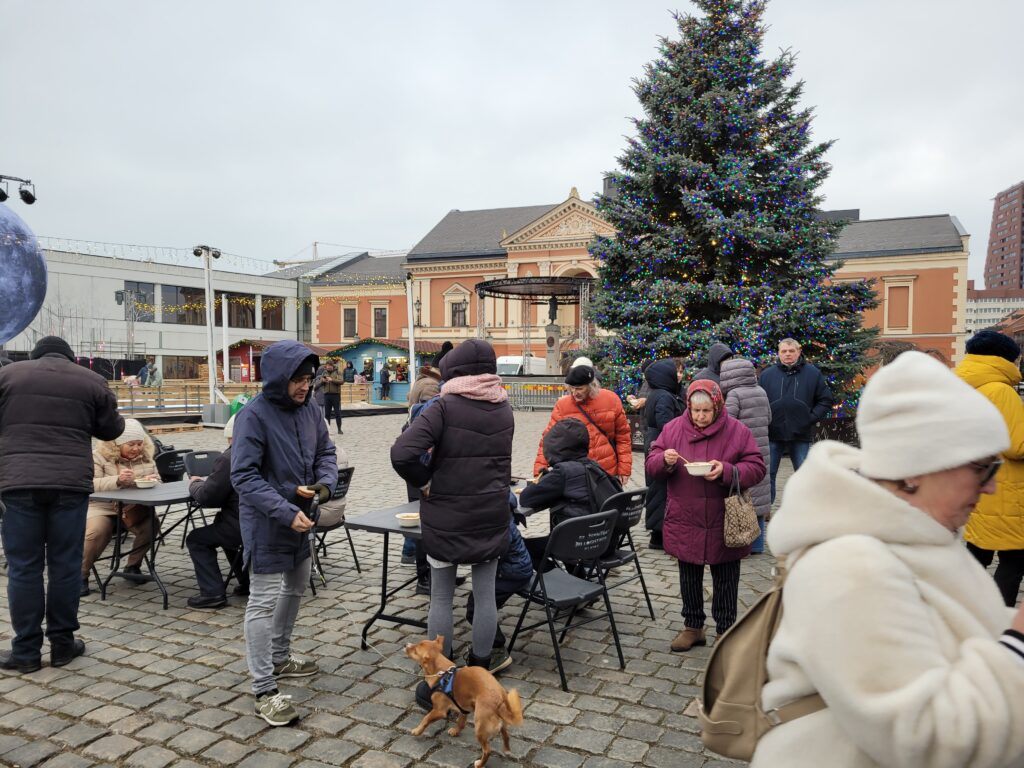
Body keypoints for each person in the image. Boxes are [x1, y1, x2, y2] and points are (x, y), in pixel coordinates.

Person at [752, 351, 1024, 767]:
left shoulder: (919, 533)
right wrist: (1017, 645)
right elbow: (924, 738)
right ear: (915, 469)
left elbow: (956, 624)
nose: (991, 487)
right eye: (983, 467)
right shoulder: (851, 565)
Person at [391, 338, 514, 685]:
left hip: (447, 514)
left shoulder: (444, 407)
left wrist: (424, 481)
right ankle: (481, 666)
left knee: (442, 596)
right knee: (485, 595)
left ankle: (440, 672)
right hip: (490, 512)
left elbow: (402, 453)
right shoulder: (503, 406)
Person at [0, 336, 124, 673]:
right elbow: (112, 429)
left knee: (24, 567)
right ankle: (63, 645)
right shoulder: (92, 380)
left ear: (34, 354)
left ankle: (26, 652)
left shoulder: (7, 376)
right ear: (70, 357)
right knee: (65, 565)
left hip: (19, 482)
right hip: (69, 485)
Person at [231, 339, 337, 727]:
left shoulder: (310, 410)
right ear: (279, 378)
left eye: (309, 379)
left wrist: (323, 487)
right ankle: (264, 689)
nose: (305, 386)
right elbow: (243, 476)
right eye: (298, 380)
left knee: (296, 587)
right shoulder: (253, 416)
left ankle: (280, 656)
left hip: (301, 518)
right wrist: (285, 509)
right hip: (267, 522)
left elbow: (326, 453)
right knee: (262, 602)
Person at [647, 380, 765, 652]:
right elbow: (652, 463)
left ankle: (725, 631)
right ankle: (693, 627)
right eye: (695, 410)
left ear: (718, 406)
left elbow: (757, 467)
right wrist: (664, 460)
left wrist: (726, 470)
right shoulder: (673, 428)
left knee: (726, 577)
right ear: (688, 407)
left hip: (724, 517)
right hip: (685, 515)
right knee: (689, 575)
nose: (700, 416)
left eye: (706, 411)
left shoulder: (737, 431)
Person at [955, 329, 1024, 606]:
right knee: (1014, 559)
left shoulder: (963, 387)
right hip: (1006, 488)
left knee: (978, 552)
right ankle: (998, 618)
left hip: (976, 481)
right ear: (1004, 359)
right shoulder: (1000, 390)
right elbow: (1017, 446)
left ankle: (963, 607)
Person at [520, 418, 622, 568]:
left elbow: (526, 498)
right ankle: (576, 575)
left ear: (554, 446)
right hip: (604, 543)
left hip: (578, 545)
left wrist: (546, 479)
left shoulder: (563, 472)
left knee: (519, 546)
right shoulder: (593, 465)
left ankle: (553, 576)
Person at [82, 418, 161, 595]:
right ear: (116, 444)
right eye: (131, 444)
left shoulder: (146, 457)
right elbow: (89, 484)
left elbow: (159, 481)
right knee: (97, 531)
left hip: (132, 506)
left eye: (140, 443)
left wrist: (153, 481)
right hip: (102, 505)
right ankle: (80, 575)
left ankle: (132, 566)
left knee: (152, 524)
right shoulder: (98, 456)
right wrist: (117, 480)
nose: (136, 448)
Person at [184, 414, 250, 609]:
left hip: (242, 524)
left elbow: (208, 497)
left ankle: (212, 593)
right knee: (223, 530)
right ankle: (247, 582)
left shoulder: (230, 458)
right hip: (269, 522)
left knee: (197, 539)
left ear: (231, 437)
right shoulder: (270, 452)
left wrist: (195, 483)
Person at [533, 358, 632, 485]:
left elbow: (623, 437)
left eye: (579, 388)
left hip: (607, 471)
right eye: (571, 388)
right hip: (576, 473)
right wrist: (539, 471)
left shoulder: (611, 400)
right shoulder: (562, 406)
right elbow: (548, 440)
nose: (574, 393)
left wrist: (624, 469)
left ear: (591, 386)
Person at [758, 338, 832, 503]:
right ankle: (766, 509)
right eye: (784, 351)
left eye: (791, 351)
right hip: (773, 433)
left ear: (799, 352)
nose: (788, 354)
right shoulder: (767, 375)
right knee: (768, 474)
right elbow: (758, 402)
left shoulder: (813, 373)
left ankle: (805, 508)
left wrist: (810, 418)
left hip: (801, 434)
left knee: (804, 474)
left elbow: (825, 400)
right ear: (779, 353)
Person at [720, 357, 772, 553]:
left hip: (742, 450)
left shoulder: (734, 395)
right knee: (761, 494)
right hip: (762, 448)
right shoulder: (761, 391)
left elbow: (727, 422)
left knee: (746, 494)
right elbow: (769, 418)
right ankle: (758, 544)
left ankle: (746, 542)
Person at [641, 358, 684, 550]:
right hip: (662, 443)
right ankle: (658, 535)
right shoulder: (665, 396)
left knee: (657, 488)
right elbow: (666, 425)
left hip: (654, 441)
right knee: (660, 490)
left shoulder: (657, 393)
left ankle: (659, 533)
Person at [320, 360, 344, 434]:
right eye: (327, 366)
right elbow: (320, 381)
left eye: (330, 366)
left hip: (336, 395)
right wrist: (323, 380)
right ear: (326, 366)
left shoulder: (338, 372)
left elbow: (341, 381)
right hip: (327, 395)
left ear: (332, 366)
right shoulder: (324, 372)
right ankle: (328, 430)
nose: (329, 367)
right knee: (327, 414)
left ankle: (339, 429)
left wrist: (332, 380)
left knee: (337, 413)